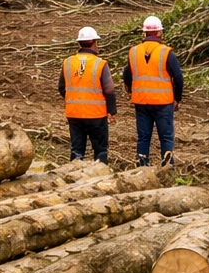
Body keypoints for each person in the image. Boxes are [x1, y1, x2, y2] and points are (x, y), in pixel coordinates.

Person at [124, 15, 182, 167]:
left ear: (144, 33)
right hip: (163, 102)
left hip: (141, 101)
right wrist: (177, 98)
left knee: (143, 137)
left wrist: (131, 92)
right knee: (166, 137)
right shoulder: (166, 52)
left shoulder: (134, 52)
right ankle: (168, 168)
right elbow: (178, 77)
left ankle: (142, 166)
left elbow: (126, 75)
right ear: (159, 33)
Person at [59, 26, 116, 163]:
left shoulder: (67, 63)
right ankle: (101, 178)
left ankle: (72, 177)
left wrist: (73, 100)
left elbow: (61, 87)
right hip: (96, 115)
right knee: (100, 150)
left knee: (77, 149)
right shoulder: (100, 64)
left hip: (74, 114)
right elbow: (109, 90)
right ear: (94, 43)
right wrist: (111, 111)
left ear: (79, 43)